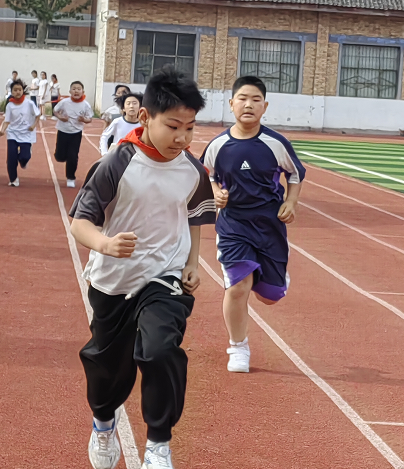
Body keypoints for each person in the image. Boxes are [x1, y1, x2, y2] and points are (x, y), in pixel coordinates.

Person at [69, 67, 215, 469]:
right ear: (146, 117)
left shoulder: (192, 170)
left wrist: (192, 262)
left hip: (164, 276)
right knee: (107, 367)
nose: (183, 138)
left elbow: (194, 216)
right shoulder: (116, 164)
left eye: (190, 127)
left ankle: (158, 445)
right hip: (113, 281)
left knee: (160, 350)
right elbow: (80, 223)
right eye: (174, 127)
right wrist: (105, 244)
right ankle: (103, 423)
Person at [200, 76, 306, 373]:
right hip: (233, 225)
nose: (248, 104)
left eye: (256, 99)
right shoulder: (218, 145)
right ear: (231, 104)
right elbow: (207, 174)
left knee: (270, 296)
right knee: (238, 287)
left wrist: (291, 202)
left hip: (269, 225)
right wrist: (215, 192)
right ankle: (238, 347)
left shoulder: (275, 143)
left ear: (265, 106)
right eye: (243, 99)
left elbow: (295, 174)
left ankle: (271, 277)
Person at [0, 79, 40, 187]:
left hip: (26, 133)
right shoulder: (10, 105)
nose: (17, 92)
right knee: (11, 157)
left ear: (23, 91)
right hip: (13, 133)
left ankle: (23, 161)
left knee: (24, 157)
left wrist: (33, 125)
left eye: (19, 90)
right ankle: (13, 179)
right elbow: (7, 120)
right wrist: (2, 130)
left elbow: (37, 115)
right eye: (15, 90)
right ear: (11, 92)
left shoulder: (29, 103)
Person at [53, 81, 93, 188]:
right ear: (70, 91)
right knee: (60, 156)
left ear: (83, 91)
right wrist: (61, 117)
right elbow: (55, 111)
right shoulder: (64, 102)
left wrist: (84, 119)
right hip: (63, 131)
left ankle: (71, 177)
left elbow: (89, 119)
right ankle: (61, 155)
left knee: (73, 156)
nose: (76, 91)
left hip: (76, 133)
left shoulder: (86, 105)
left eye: (79, 89)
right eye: (74, 89)